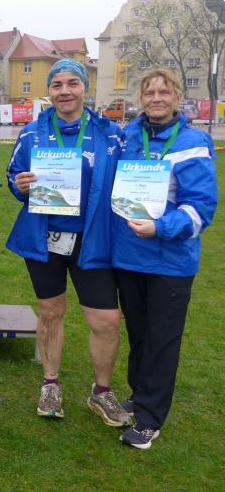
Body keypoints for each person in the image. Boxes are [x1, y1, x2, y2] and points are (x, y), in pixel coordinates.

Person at [6, 58, 130, 426]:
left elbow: (128, 178)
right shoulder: (32, 133)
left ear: (85, 88)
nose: (64, 91)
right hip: (45, 239)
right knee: (50, 312)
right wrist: (20, 185)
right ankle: (50, 383)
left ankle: (101, 392)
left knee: (106, 320)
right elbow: (14, 177)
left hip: (93, 240)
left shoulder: (111, 134)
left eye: (72, 83)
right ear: (50, 90)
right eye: (57, 84)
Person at [113, 69, 217, 449]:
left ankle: (150, 419)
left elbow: (201, 208)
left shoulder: (194, 142)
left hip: (171, 262)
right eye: (149, 92)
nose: (156, 98)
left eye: (164, 91)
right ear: (140, 98)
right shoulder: (127, 137)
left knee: (162, 340)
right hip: (130, 257)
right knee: (139, 336)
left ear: (177, 97)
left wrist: (160, 228)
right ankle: (140, 394)